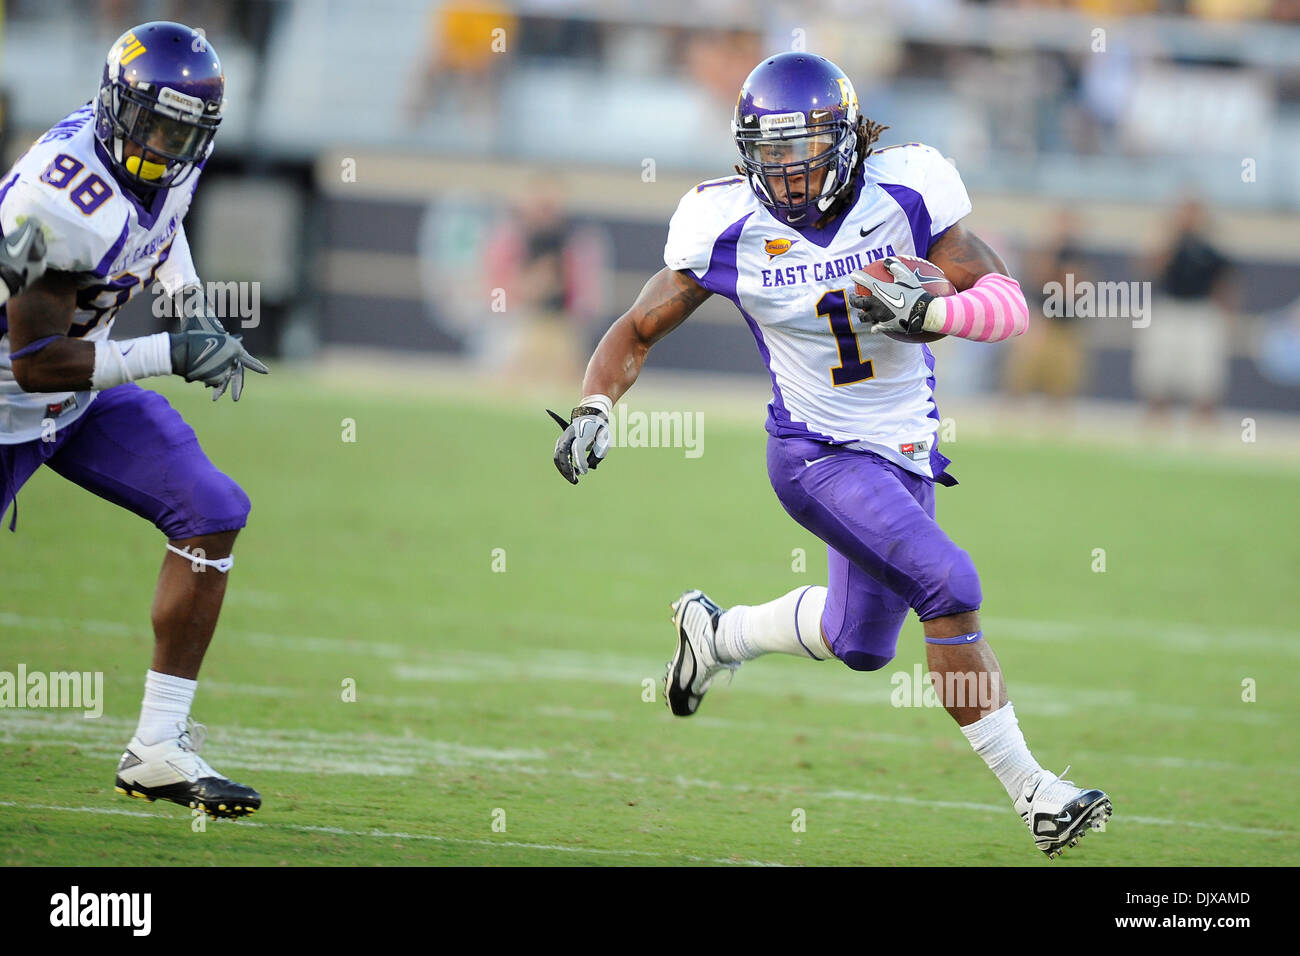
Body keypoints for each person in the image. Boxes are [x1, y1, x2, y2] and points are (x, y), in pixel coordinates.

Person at [551, 53, 1111, 859]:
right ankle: (1036, 795)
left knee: (860, 641)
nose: (783, 168)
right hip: (816, 455)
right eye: (767, 150)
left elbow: (1009, 304)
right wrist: (595, 406)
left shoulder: (907, 190)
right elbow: (637, 327)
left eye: (800, 147)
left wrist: (934, 313)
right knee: (949, 583)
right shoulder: (726, 223)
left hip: (906, 450)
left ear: (845, 140)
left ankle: (718, 635)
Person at [0, 21, 267, 818]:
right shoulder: (53, 196)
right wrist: (167, 352)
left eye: (182, 131)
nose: (164, 144)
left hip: (76, 395)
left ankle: (157, 747)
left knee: (211, 510)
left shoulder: (173, 154)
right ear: (116, 103)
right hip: (15, 390)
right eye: (154, 124)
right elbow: (35, 360)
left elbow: (163, 221)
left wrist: (188, 309)